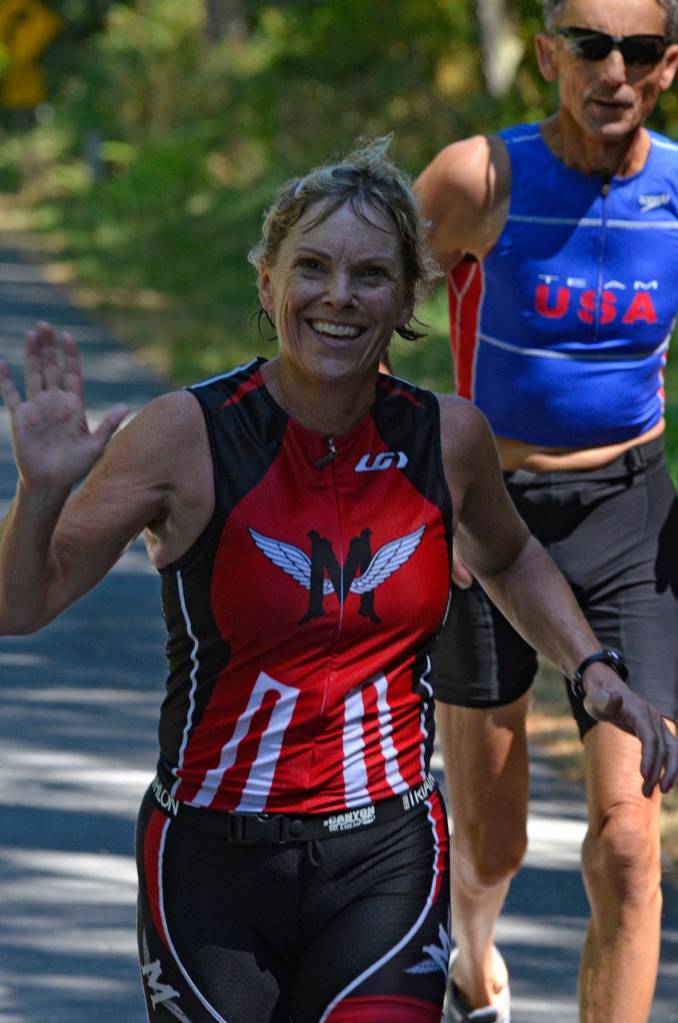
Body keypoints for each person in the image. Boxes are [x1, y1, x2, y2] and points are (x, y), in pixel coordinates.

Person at [0, 141, 676, 1023]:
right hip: (210, 862)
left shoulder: (448, 437)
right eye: (311, 268)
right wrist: (41, 491)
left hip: (385, 858)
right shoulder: (185, 437)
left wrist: (590, 665)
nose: (338, 296)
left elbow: (507, 555)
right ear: (268, 283)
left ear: (405, 298)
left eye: (370, 274)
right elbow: (23, 603)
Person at [410, 1, 678, 1020]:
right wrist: (413, 479)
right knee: (493, 842)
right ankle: (472, 955)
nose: (614, 70)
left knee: (626, 842)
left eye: (639, 50)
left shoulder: (677, 193)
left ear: (667, 66)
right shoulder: (482, 178)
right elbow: (357, 308)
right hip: (488, 521)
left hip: (629, 521)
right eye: (591, 45)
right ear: (548, 55)